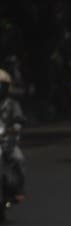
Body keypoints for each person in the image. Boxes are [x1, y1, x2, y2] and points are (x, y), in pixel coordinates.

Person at [0, 68, 27, 204]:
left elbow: (18, 118)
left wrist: (16, 127)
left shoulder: (12, 103)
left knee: (19, 159)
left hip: (7, 141)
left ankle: (19, 189)